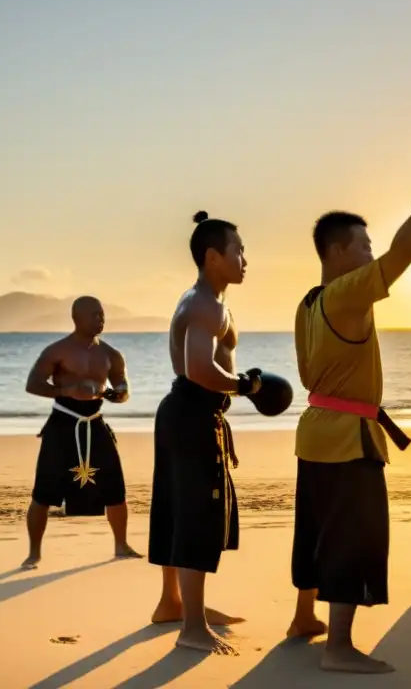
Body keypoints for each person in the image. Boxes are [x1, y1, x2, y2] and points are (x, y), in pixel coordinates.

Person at [288, 152, 411, 674]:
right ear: (338, 251)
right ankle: (338, 648)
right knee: (350, 538)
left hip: (314, 433)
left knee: (315, 530)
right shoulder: (346, 294)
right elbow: (403, 256)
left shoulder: (308, 302)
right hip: (346, 440)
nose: (371, 253)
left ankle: (302, 620)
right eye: (364, 245)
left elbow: (307, 378)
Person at [147, 211, 264, 655]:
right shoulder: (205, 305)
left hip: (183, 413)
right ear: (212, 256)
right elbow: (200, 369)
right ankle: (191, 627)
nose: (244, 259)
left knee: (177, 508)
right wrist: (245, 386)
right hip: (192, 413)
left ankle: (172, 603)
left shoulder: (206, 299)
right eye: (237, 251)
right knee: (194, 516)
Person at [21, 296, 140, 569]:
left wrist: (114, 394)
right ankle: (34, 552)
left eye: (102, 314)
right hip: (63, 423)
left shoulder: (111, 354)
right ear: (77, 318)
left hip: (95, 422)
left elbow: (123, 386)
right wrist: (65, 390)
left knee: (115, 484)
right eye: (95, 315)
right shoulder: (57, 351)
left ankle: (121, 544)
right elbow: (33, 384)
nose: (101, 319)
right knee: (43, 490)